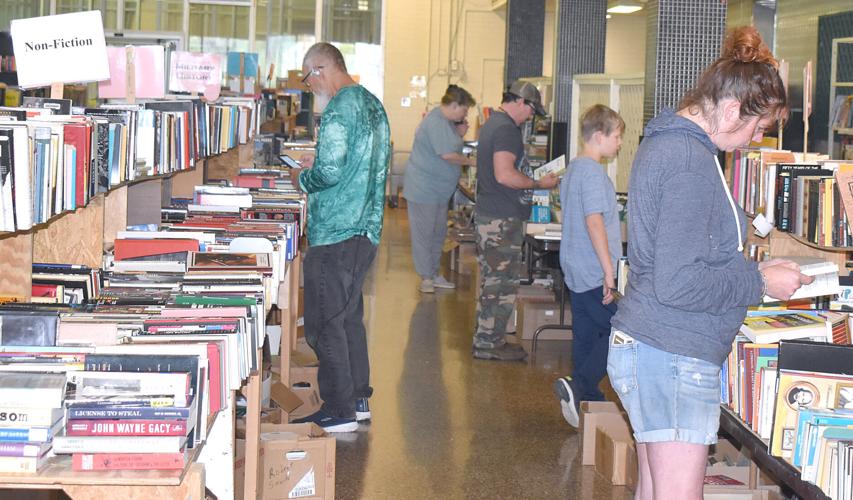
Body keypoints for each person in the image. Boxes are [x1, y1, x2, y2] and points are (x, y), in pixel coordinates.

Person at [607, 26, 814, 499]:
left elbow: (693, 229)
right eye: (756, 129)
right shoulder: (688, 161)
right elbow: (679, 283)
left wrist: (748, 229)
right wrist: (758, 278)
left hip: (654, 344)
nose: (751, 142)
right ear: (729, 109)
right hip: (672, 351)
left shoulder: (676, 146)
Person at [290, 42, 391, 433]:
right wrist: (324, 163)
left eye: (308, 77)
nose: (310, 86)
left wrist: (302, 177)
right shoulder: (372, 105)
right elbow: (360, 163)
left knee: (323, 322)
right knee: (349, 318)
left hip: (334, 230)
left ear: (320, 69)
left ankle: (339, 409)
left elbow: (328, 175)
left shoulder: (337, 108)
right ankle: (358, 397)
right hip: (365, 229)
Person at [472, 81, 560, 361]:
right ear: (522, 103)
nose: (532, 117)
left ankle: (488, 338)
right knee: (501, 284)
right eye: (532, 110)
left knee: (493, 281)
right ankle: (488, 343)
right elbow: (505, 175)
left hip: (491, 216)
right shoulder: (507, 130)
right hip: (501, 220)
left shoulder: (492, 124)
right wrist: (538, 183)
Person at [553, 104, 624, 428]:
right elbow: (594, 221)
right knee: (622, 330)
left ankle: (586, 402)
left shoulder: (573, 170)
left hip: (575, 267)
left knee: (585, 333)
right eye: (617, 136)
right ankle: (579, 384)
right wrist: (609, 271)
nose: (620, 143)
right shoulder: (594, 173)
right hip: (594, 269)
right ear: (599, 136)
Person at [403, 85, 477, 293]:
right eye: (463, 111)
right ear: (454, 106)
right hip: (424, 189)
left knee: (437, 233)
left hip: (437, 191)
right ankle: (426, 276)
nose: (465, 115)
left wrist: (460, 134)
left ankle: (434, 273)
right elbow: (447, 155)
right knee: (424, 234)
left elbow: (450, 146)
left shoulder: (446, 122)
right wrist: (471, 162)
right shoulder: (436, 122)